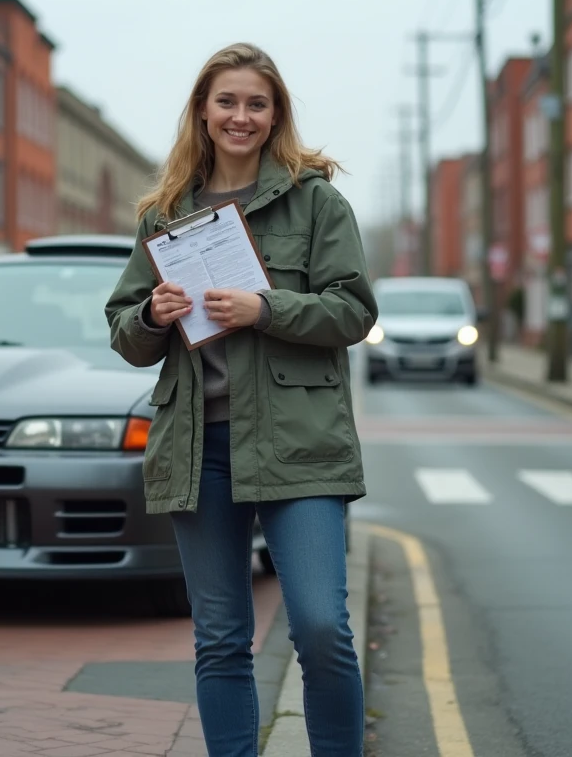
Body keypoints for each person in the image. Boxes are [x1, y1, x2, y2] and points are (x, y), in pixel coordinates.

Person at [104, 42, 377, 756]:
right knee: (220, 639)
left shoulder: (316, 201)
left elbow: (353, 312)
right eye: (227, 101)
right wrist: (152, 316)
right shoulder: (164, 213)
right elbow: (124, 332)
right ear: (203, 110)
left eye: (257, 103)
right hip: (202, 450)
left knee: (322, 628)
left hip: (299, 442)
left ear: (275, 113)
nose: (241, 116)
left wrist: (268, 309)